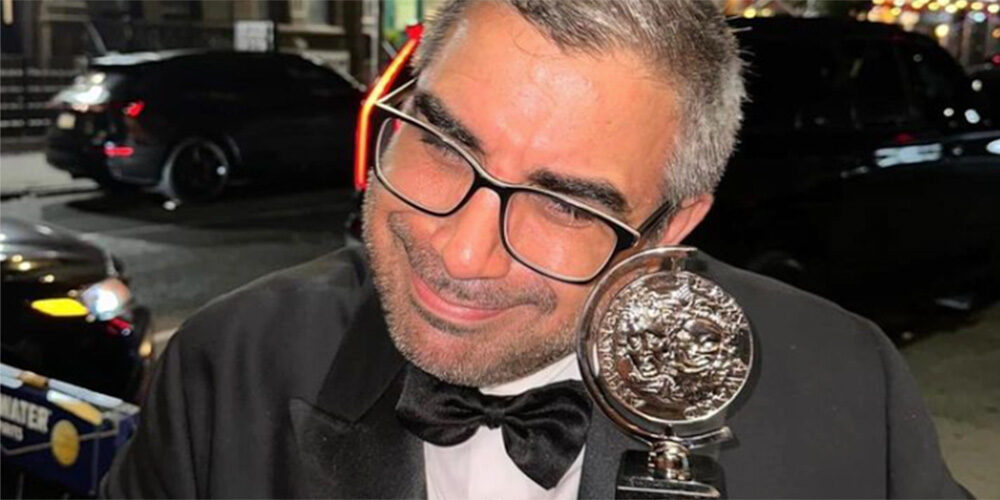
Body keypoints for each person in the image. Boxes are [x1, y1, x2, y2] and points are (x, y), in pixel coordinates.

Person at [102, 1, 968, 498]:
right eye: (444, 147)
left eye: (561, 205)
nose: (463, 253)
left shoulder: (850, 396)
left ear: (671, 227)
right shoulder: (224, 369)